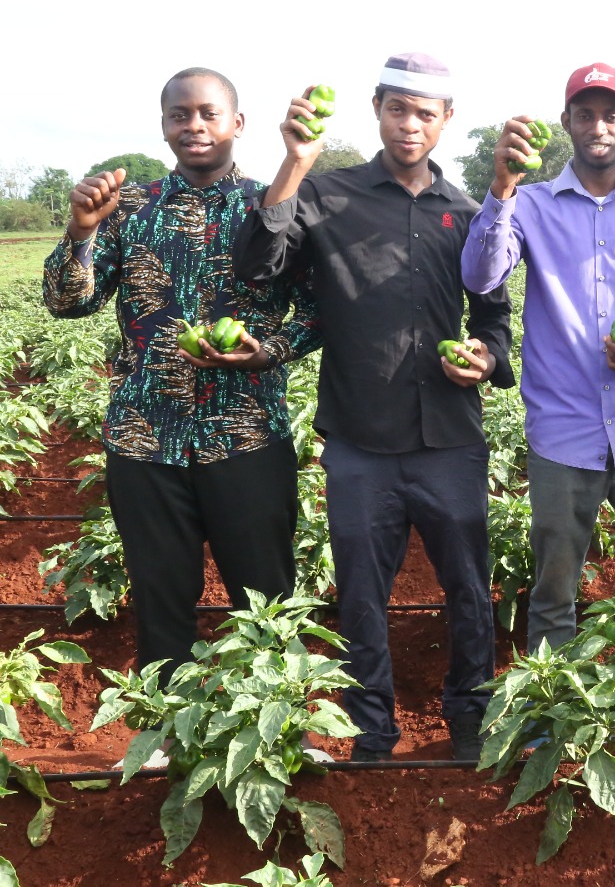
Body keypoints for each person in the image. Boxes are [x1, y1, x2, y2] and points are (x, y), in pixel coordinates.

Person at [234, 53, 514, 762]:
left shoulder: (468, 214)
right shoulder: (326, 196)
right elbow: (259, 266)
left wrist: (486, 358)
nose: (410, 125)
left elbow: (493, 316)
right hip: (360, 439)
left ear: (446, 121)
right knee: (361, 595)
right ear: (377, 110)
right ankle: (371, 729)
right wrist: (294, 162)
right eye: (398, 109)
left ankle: (470, 717)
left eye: (425, 113)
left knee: (468, 589)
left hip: (449, 438)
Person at [42, 68, 319, 692]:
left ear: (237, 123)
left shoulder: (276, 206)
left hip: (247, 434)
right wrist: (81, 231)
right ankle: (168, 724)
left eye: (208, 113)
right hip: (145, 438)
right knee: (161, 594)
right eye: (179, 114)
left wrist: (267, 353)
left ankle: (277, 720)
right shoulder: (128, 208)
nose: (194, 125)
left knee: (266, 598)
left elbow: (317, 309)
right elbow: (67, 302)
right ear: (164, 125)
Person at [458, 63, 615, 670]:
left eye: (610, 114)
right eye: (585, 114)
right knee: (554, 592)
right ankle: (553, 711)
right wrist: (501, 188)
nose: (598, 126)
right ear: (567, 121)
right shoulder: (529, 207)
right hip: (562, 429)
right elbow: (480, 276)